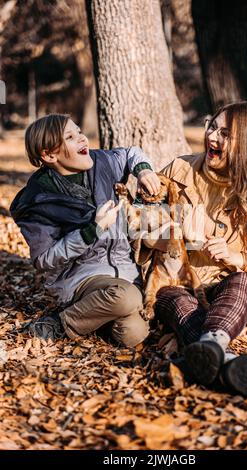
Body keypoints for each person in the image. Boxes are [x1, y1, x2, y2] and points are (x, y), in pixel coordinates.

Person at [133, 100, 247, 396]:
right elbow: (139, 227)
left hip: (229, 288)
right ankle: (229, 362)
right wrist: (172, 237)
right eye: (212, 127)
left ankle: (207, 351)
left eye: (225, 133)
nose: (212, 137)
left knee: (241, 281)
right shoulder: (179, 170)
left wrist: (240, 257)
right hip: (178, 281)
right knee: (174, 298)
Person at [10, 114, 161, 346]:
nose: (82, 139)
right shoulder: (38, 199)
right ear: (50, 155)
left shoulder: (101, 162)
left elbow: (131, 152)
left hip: (124, 271)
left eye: (79, 131)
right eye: (70, 137)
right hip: (80, 277)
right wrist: (93, 230)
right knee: (128, 298)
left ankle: (94, 316)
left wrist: (144, 171)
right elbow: (43, 259)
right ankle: (58, 323)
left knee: (133, 334)